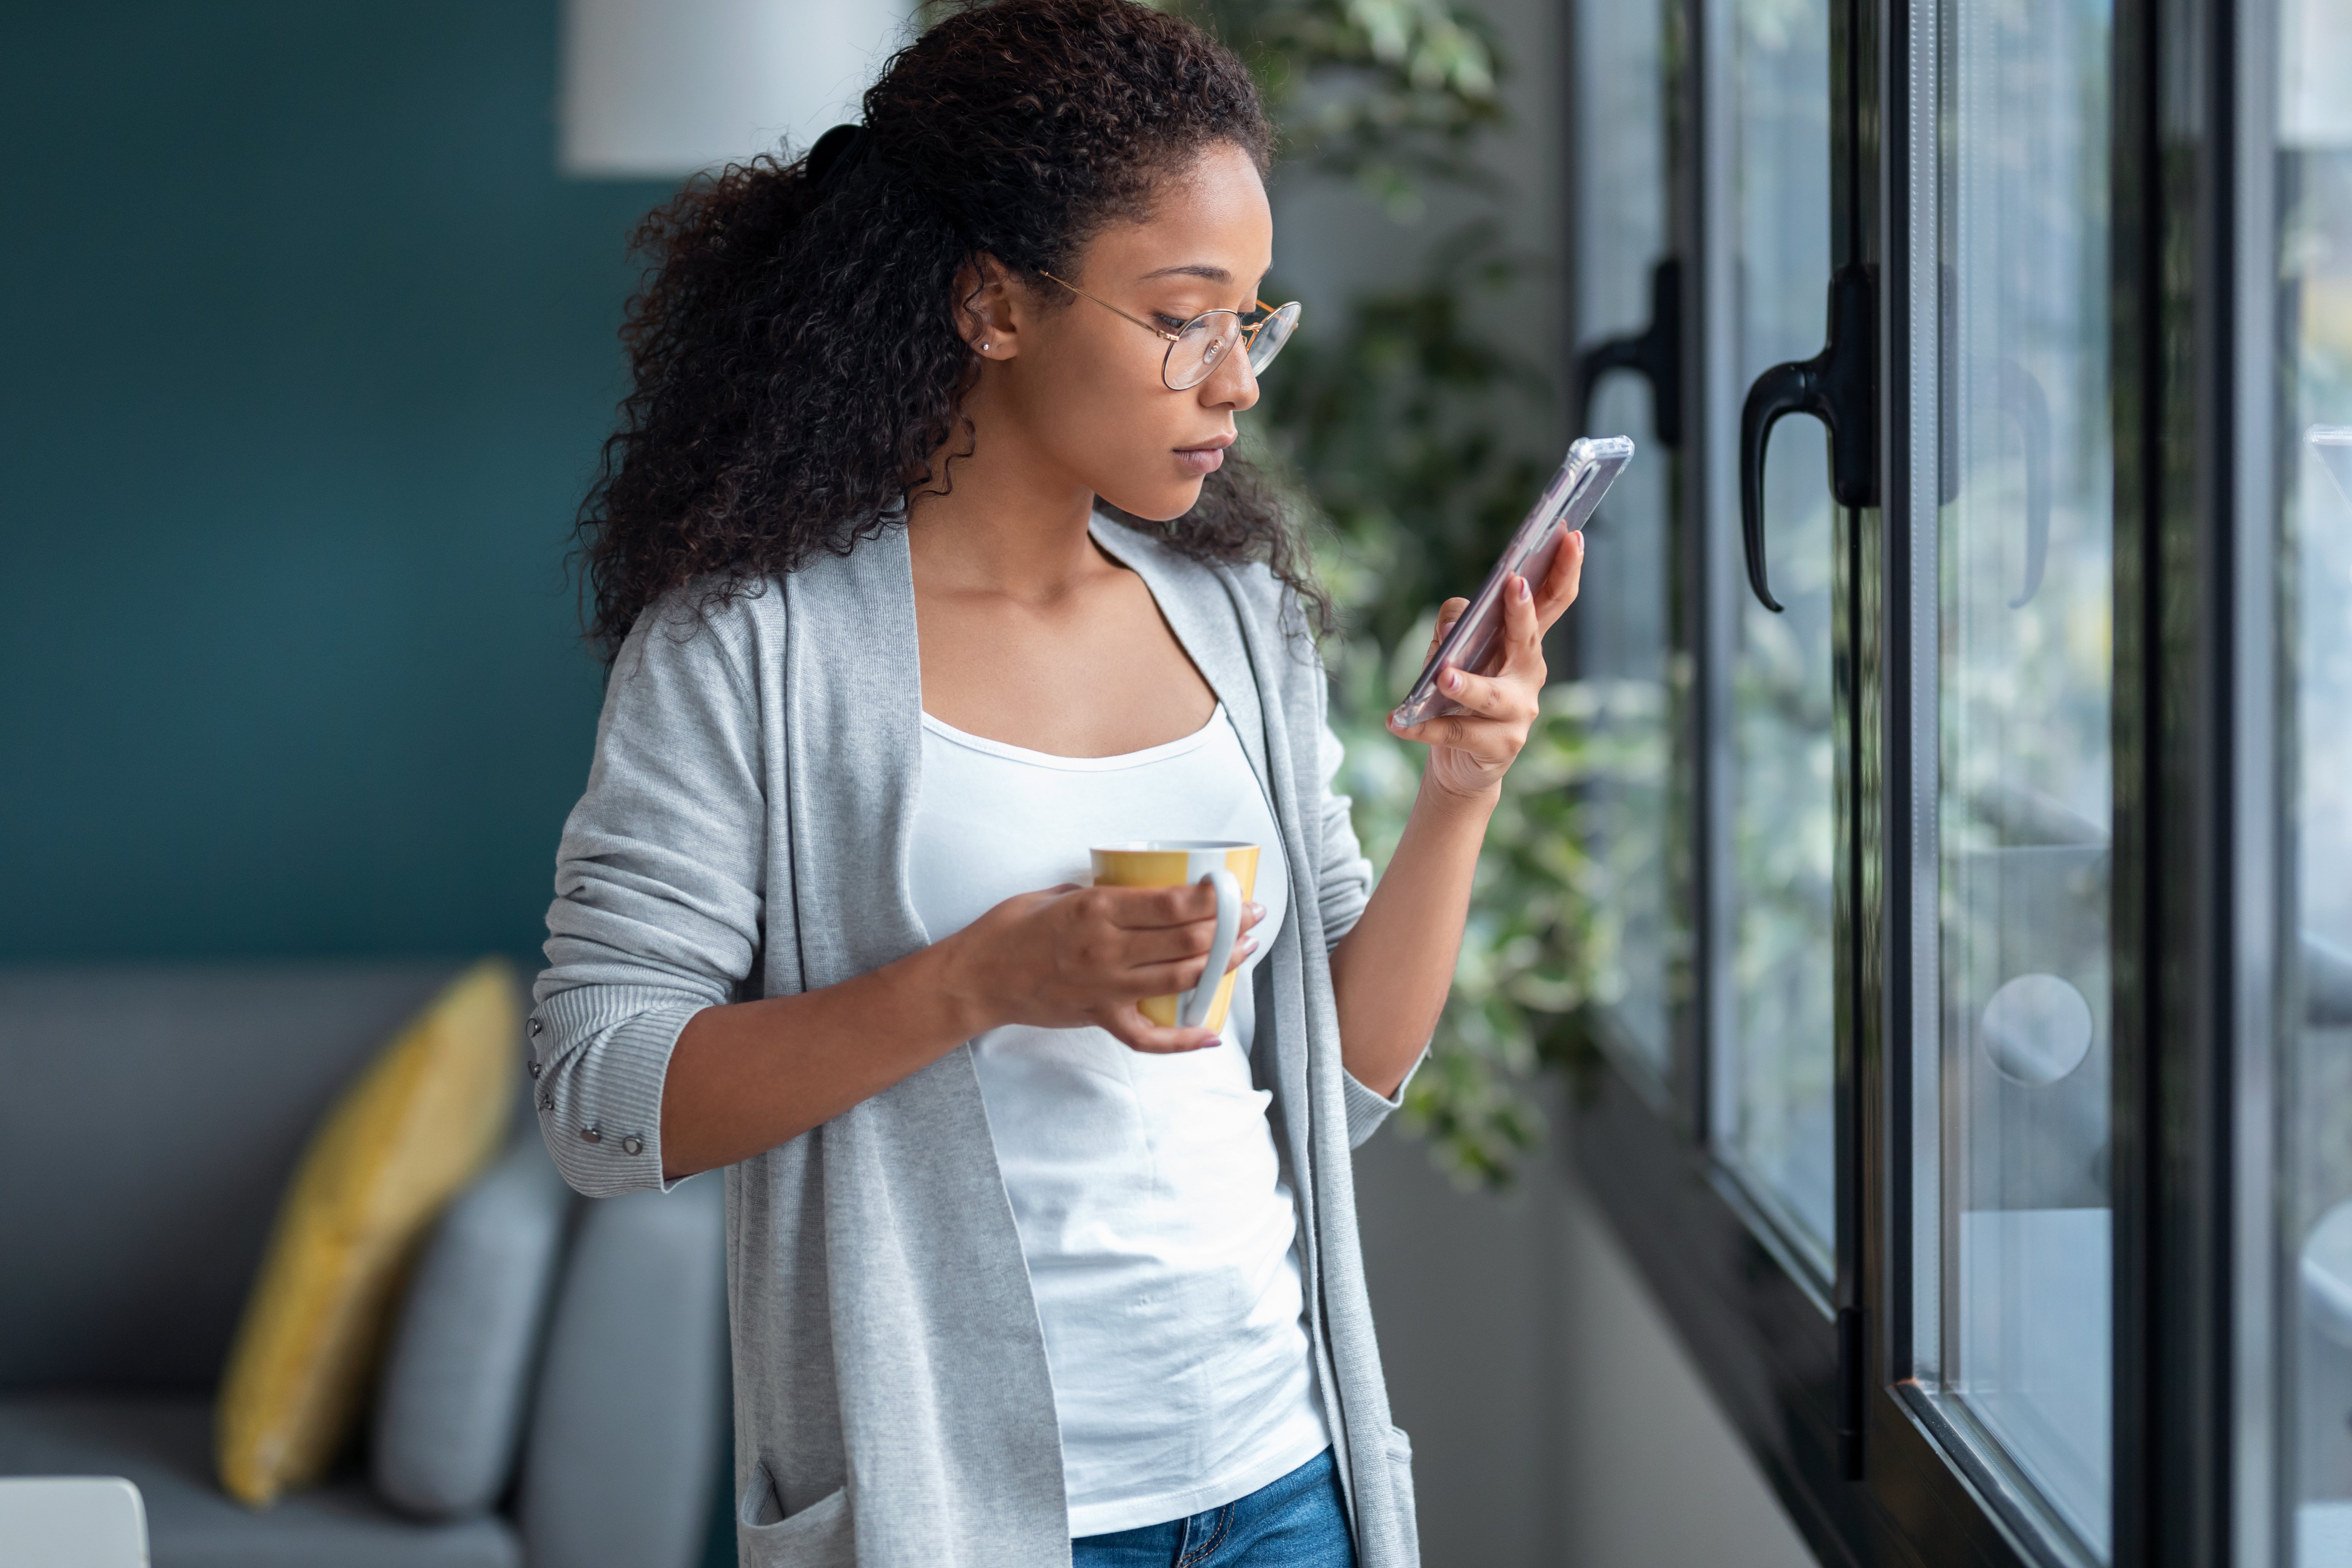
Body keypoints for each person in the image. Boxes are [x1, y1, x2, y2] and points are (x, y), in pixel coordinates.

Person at [529, 2, 1585, 1564]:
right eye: (1181, 317)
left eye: (1252, 322)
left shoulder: (1236, 618)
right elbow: (595, 1101)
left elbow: (1343, 1077)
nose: (1233, 383)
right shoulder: (750, 653)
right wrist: (975, 982)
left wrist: (1464, 788)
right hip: (958, 1512)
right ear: (991, 305)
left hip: (1282, 1476)